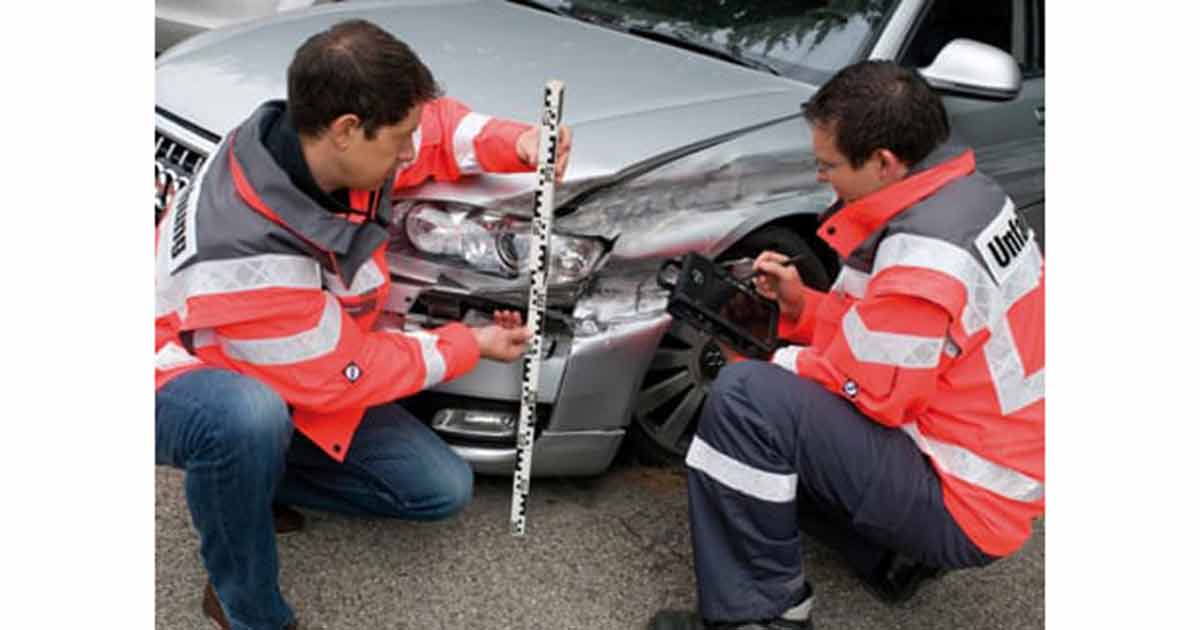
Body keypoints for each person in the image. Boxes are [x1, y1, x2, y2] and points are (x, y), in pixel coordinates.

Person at [154, 19, 572, 630]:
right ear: (348, 131)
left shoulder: (309, 144)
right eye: (396, 141)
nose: (409, 153)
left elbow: (435, 130)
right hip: (179, 374)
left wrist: (521, 142)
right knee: (243, 421)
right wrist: (470, 344)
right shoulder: (250, 255)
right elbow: (344, 374)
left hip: (280, 359)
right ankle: (244, 600)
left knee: (438, 489)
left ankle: (249, 478)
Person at [649, 60, 1044, 630]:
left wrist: (768, 360)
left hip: (960, 498)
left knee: (746, 401)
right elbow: (893, 338)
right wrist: (801, 309)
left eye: (829, 164)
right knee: (775, 409)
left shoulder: (923, 251)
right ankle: (888, 553)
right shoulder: (964, 198)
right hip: (988, 472)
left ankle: (760, 617)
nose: (821, 177)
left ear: (883, 162)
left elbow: (876, 394)